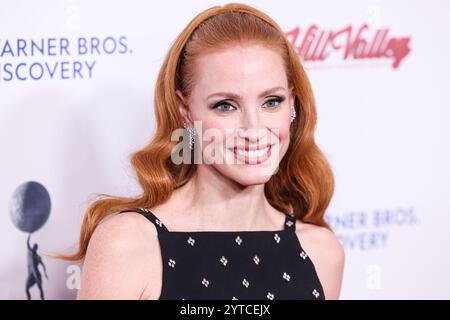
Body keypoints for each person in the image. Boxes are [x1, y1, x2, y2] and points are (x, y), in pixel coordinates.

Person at [62, 3, 345, 300]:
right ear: (185, 110)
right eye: (225, 105)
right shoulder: (128, 245)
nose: (254, 129)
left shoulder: (321, 252)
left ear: (292, 105)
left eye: (271, 101)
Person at [26, 234, 48, 300]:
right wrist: (29, 234)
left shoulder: (38, 257)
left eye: (35, 247)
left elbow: (43, 265)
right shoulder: (31, 252)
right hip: (31, 274)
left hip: (36, 274)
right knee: (26, 288)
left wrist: (45, 274)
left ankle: (42, 298)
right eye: (34, 247)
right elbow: (27, 243)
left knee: (40, 288)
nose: (34, 248)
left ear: (36, 249)